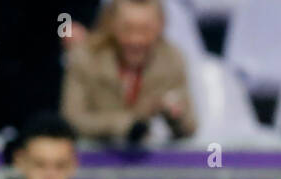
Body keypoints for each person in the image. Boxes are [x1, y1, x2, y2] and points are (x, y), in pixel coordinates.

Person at [61, 0, 196, 144]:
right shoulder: (85, 58)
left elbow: (190, 127)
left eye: (145, 30)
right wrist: (125, 125)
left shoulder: (171, 60)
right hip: (94, 158)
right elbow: (71, 121)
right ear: (112, 25)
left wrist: (174, 116)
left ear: (161, 27)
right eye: (127, 29)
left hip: (150, 161)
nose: (135, 40)